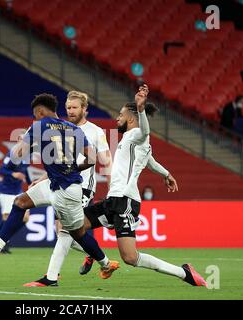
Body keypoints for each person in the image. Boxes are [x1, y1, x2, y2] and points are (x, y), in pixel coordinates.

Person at [0, 93, 119, 280]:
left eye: (34, 115)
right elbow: (93, 158)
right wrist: (71, 167)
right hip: (56, 183)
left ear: (39, 111)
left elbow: (16, 156)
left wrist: (24, 147)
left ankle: (104, 264)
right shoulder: (72, 128)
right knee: (21, 202)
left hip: (67, 191)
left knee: (76, 233)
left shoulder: (38, 126)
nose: (34, 118)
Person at [77, 85, 207, 287]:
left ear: (131, 118)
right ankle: (98, 257)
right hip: (113, 200)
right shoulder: (131, 141)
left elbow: (145, 132)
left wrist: (140, 108)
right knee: (76, 226)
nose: (116, 119)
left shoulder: (138, 134)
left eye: (120, 115)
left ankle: (184, 273)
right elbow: (149, 160)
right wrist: (166, 174)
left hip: (125, 201)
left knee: (130, 257)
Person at [23, 90, 113, 286]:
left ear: (84, 109)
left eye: (74, 108)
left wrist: (113, 184)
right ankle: (95, 255)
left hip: (82, 187)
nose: (70, 111)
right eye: (68, 108)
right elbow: (58, 163)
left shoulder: (96, 131)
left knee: (65, 231)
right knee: (62, 231)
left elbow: (106, 160)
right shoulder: (62, 128)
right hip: (61, 185)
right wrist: (41, 179)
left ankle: (51, 277)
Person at [0, 131, 31, 254]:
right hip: (6, 190)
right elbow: (1, 169)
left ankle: (5, 239)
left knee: (26, 217)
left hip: (17, 190)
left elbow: (25, 171)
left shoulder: (26, 156)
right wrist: (13, 173)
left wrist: (30, 183)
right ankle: (0, 243)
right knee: (6, 217)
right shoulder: (12, 154)